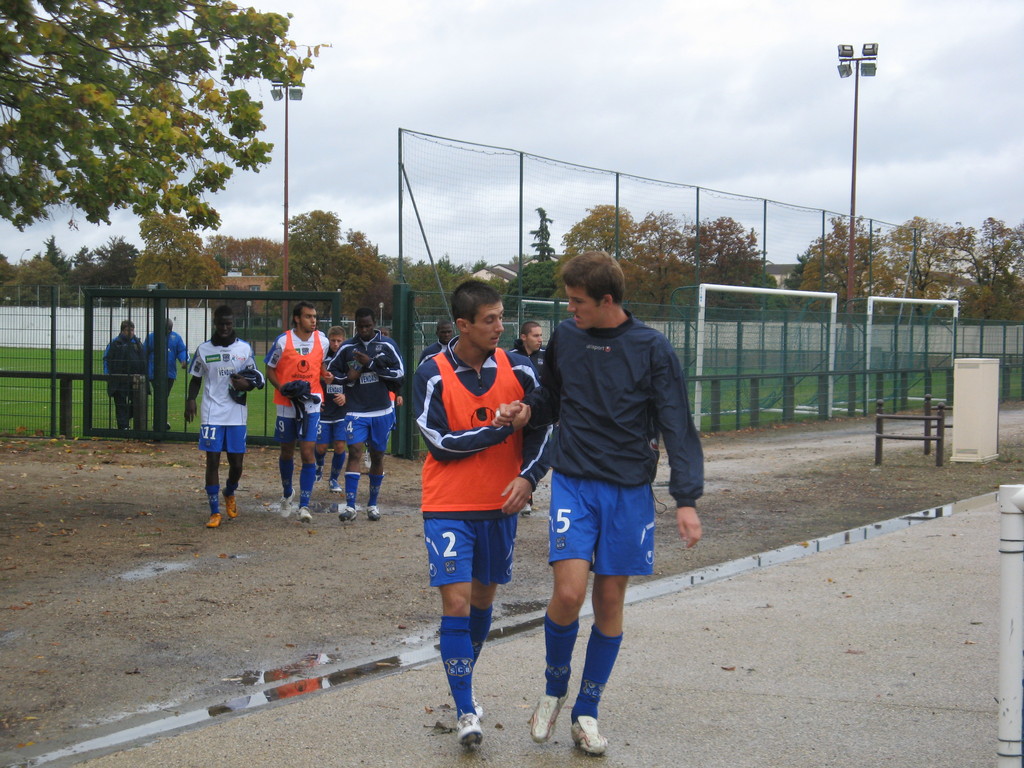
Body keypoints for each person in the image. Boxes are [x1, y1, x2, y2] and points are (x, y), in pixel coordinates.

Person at [497, 251, 704, 756]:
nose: (569, 311)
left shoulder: (652, 348)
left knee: (609, 600)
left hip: (629, 492)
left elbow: (677, 422)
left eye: (577, 302)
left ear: (607, 301)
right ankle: (553, 688)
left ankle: (586, 711)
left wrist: (685, 499)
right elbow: (551, 399)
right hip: (575, 482)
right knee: (568, 594)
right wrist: (526, 411)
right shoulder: (567, 338)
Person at [414, 280, 550, 747]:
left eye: (501, 317)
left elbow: (545, 426)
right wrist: (497, 428)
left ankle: (462, 685)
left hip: (501, 505)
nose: (501, 326)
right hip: (447, 505)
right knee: (455, 603)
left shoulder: (520, 367)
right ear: (463, 325)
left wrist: (528, 478)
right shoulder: (430, 372)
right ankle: (466, 708)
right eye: (489, 319)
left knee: (482, 604)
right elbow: (439, 444)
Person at [184, 305, 265, 528]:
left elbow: (256, 377)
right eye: (221, 324)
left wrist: (246, 384)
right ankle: (214, 511)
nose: (225, 328)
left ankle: (229, 491)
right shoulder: (203, 350)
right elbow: (195, 378)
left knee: (236, 464)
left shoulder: (245, 349)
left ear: (233, 323)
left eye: (229, 323)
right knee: (212, 460)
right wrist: (190, 400)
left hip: (236, 413)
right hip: (212, 412)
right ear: (215, 324)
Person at [336, 307, 404, 521]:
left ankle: (372, 505)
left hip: (381, 409)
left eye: (368, 326)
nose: (364, 330)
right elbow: (331, 372)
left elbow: (400, 373)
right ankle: (350, 506)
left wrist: (372, 364)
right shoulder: (347, 347)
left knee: (377, 455)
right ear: (355, 325)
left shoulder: (387, 345)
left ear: (374, 324)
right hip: (356, 410)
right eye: (360, 326)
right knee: (355, 452)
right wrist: (349, 377)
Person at [264, 301, 329, 523]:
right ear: (297, 318)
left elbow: (321, 364)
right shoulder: (283, 341)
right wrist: (282, 387)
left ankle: (304, 505)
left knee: (308, 452)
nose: (314, 320)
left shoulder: (323, 340)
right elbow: (270, 368)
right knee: (286, 451)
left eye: (315, 316)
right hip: (286, 402)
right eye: (309, 316)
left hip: (311, 402)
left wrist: (325, 375)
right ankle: (286, 492)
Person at [509, 321, 546, 514]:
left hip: (541, 417)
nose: (540, 339)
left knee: (536, 455)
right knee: (516, 456)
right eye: (536, 335)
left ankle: (526, 496)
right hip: (517, 415)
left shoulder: (547, 357)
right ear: (524, 337)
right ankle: (519, 497)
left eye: (541, 335)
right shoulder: (511, 357)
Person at [315, 326, 350, 516]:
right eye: (333, 340)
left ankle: (334, 479)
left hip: (341, 411)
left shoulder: (348, 357)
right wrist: (317, 398)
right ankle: (319, 465)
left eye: (339, 341)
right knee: (320, 447)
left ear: (344, 340)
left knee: (339, 446)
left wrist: (346, 396)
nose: (335, 344)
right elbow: (313, 378)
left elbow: (354, 381)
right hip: (323, 408)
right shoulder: (321, 356)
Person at [144, 318, 189, 429]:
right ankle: (160, 422)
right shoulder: (151, 337)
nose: (168, 331)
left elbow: (182, 350)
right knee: (161, 396)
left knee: (163, 396)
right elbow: (144, 352)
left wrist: (184, 360)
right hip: (154, 373)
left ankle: (160, 421)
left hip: (169, 373)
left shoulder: (176, 337)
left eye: (169, 329)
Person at [103, 319, 147, 431]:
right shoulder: (115, 343)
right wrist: (107, 374)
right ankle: (123, 427)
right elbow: (106, 359)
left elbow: (143, 360)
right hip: (119, 379)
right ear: (123, 331)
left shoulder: (137, 343)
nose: (131, 333)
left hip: (135, 379)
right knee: (120, 403)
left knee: (137, 403)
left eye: (132, 330)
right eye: (128, 330)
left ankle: (124, 420)